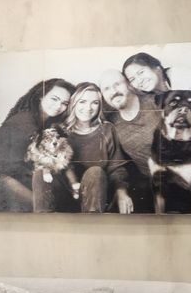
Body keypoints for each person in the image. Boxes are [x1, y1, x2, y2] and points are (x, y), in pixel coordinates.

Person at [39, 82, 133, 214]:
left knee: (95, 172)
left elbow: (117, 167)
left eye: (94, 102)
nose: (88, 108)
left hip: (96, 196)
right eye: (82, 101)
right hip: (66, 196)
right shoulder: (58, 130)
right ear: (73, 103)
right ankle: (44, 222)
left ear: (100, 106)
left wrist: (122, 193)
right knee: (41, 172)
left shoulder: (107, 130)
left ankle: (92, 225)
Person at [0, 77, 72, 211]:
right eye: (54, 99)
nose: (58, 106)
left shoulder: (48, 124)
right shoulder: (24, 121)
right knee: (46, 207)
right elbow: (11, 165)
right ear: (41, 96)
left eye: (64, 103)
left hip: (14, 175)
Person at [96, 67, 161, 212]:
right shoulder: (110, 122)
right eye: (106, 89)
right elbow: (115, 161)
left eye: (117, 84)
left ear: (129, 84)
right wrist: (121, 192)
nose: (113, 91)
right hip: (148, 184)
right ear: (103, 96)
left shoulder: (156, 103)